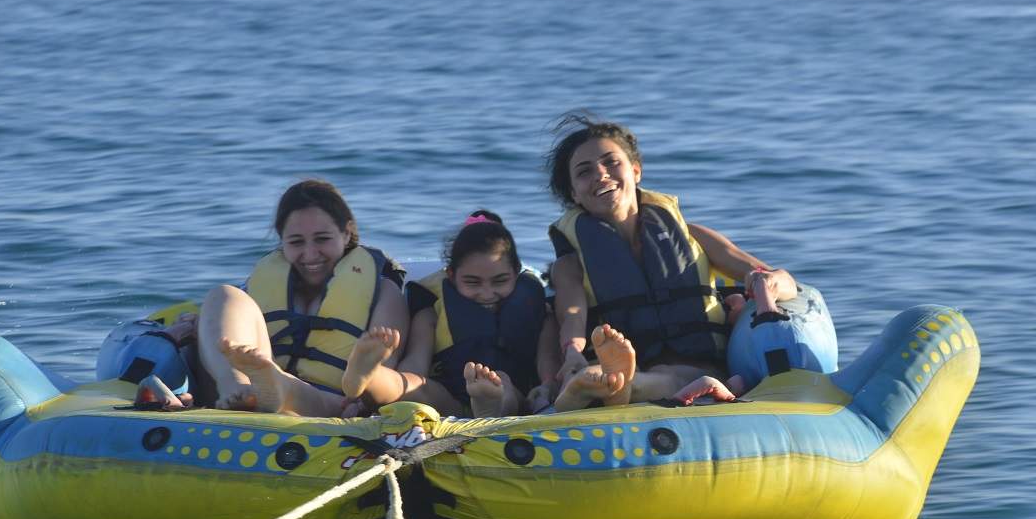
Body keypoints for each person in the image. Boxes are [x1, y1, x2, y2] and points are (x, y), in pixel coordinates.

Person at [545, 113, 799, 408]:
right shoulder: (571, 262)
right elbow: (571, 313)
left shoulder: (694, 237)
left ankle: (611, 386)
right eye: (584, 171)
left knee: (664, 378)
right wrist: (572, 352)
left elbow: (780, 280)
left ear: (636, 171)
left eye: (611, 162)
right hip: (639, 364)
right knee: (619, 376)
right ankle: (606, 383)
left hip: (701, 366)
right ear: (574, 193)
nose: (601, 174)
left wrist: (767, 281)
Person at [195, 179, 410, 415]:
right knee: (223, 294)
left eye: (322, 239)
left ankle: (273, 391)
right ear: (282, 241)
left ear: (346, 233)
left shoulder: (383, 292)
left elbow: (382, 374)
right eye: (296, 242)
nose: (310, 254)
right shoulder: (260, 285)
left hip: (329, 404)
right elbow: (221, 329)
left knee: (284, 386)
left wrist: (361, 399)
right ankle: (239, 388)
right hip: (251, 387)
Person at [341, 211, 560, 418]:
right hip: (448, 402)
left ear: (517, 272)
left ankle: (488, 406)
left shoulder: (539, 310)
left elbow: (547, 363)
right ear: (452, 275)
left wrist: (546, 388)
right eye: (472, 282)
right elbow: (416, 362)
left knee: (503, 384)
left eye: (500, 281)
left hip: (511, 397)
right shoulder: (431, 313)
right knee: (412, 385)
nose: (486, 294)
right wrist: (400, 383)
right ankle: (367, 378)